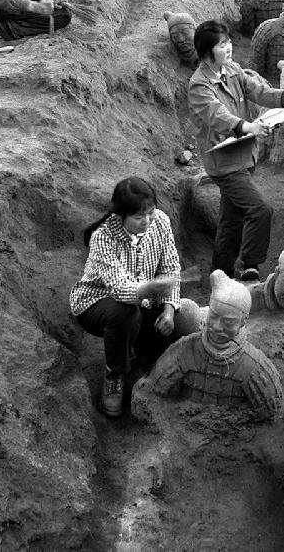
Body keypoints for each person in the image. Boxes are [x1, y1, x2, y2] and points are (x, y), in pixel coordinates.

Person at [187, 20, 284, 281]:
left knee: (231, 221)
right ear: (207, 50)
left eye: (229, 41)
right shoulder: (199, 86)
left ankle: (220, 273)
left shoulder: (232, 69)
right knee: (260, 209)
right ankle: (251, 266)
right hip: (225, 163)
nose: (229, 47)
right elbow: (216, 116)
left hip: (244, 157)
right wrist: (248, 127)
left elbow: (259, 91)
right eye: (222, 45)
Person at [69, 177, 184, 418]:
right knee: (125, 314)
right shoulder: (103, 237)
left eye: (150, 213)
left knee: (175, 326)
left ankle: (142, 357)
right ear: (121, 215)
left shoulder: (161, 222)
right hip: (97, 302)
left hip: (147, 299)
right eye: (139, 217)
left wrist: (169, 310)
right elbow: (119, 287)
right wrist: (152, 289)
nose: (147, 221)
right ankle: (115, 374)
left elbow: (171, 268)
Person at [131, 270, 283, 423]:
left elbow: (271, 411)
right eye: (214, 316)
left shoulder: (253, 366)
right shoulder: (185, 350)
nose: (217, 327)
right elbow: (148, 391)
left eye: (228, 322)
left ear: (243, 322)